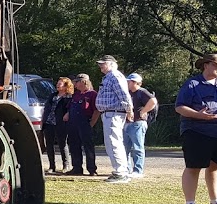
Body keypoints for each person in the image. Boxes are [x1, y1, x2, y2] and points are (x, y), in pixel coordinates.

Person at [175, 53, 217, 204]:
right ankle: (189, 203)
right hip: (196, 130)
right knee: (193, 167)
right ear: (205, 65)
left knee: (215, 166)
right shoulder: (192, 84)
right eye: (216, 65)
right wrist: (199, 115)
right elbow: (179, 107)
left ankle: (215, 202)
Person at [94, 55, 132, 183]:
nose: (100, 67)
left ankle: (120, 172)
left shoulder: (115, 76)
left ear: (111, 64)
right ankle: (120, 171)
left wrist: (129, 110)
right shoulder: (109, 77)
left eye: (103, 64)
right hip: (109, 113)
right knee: (112, 143)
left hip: (113, 113)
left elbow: (123, 94)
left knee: (114, 142)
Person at [124, 73, 157, 178]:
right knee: (126, 148)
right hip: (128, 123)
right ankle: (127, 169)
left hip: (138, 123)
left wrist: (144, 111)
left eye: (129, 81)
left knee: (137, 147)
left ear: (135, 82)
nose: (127, 83)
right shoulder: (129, 93)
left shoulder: (141, 92)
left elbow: (153, 101)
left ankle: (138, 170)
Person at [65, 74, 99, 176]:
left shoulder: (93, 94)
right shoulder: (76, 94)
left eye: (77, 82)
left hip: (85, 122)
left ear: (83, 82)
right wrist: (67, 114)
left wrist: (91, 123)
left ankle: (91, 169)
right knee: (74, 146)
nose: (75, 85)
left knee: (88, 146)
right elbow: (70, 106)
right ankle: (77, 168)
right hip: (73, 122)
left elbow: (96, 110)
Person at [41, 77, 73, 174]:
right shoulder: (52, 95)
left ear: (66, 86)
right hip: (49, 122)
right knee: (49, 145)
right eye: (58, 83)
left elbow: (70, 109)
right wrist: (43, 120)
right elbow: (46, 108)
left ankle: (66, 165)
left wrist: (67, 114)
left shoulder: (69, 97)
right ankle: (52, 166)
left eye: (61, 83)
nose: (58, 85)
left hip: (61, 123)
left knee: (62, 144)